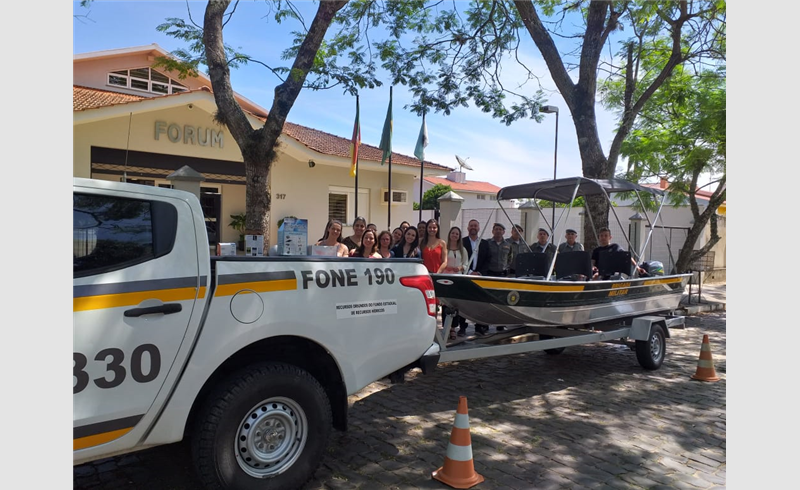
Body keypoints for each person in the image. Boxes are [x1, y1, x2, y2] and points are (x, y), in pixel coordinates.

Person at [460, 219, 491, 336]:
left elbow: (488, 260)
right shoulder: (462, 242)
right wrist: (470, 271)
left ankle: (479, 327)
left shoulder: (485, 243)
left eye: (475, 226)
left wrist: (480, 273)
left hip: (480, 277)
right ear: (468, 228)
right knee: (463, 303)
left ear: (479, 228)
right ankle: (462, 327)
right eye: (471, 225)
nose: (473, 227)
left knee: (480, 303)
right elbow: (462, 260)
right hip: (466, 276)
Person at [442, 226, 470, 338]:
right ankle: (446, 327)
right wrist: (446, 267)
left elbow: (466, 263)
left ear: (459, 236)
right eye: (453, 233)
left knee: (456, 304)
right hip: (445, 278)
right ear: (449, 234)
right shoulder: (445, 248)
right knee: (445, 303)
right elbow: (441, 261)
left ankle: (453, 328)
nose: (454, 235)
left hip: (457, 278)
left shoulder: (463, 250)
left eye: (457, 234)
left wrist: (460, 268)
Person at [485, 223, 513, 332]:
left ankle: (500, 324)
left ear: (503, 232)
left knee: (502, 301)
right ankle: (484, 325)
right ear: (492, 231)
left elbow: (510, 258)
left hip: (502, 275)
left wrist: (506, 268)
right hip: (490, 274)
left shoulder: (508, 244)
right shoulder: (487, 243)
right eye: (496, 229)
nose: (498, 231)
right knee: (487, 301)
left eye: (500, 229)